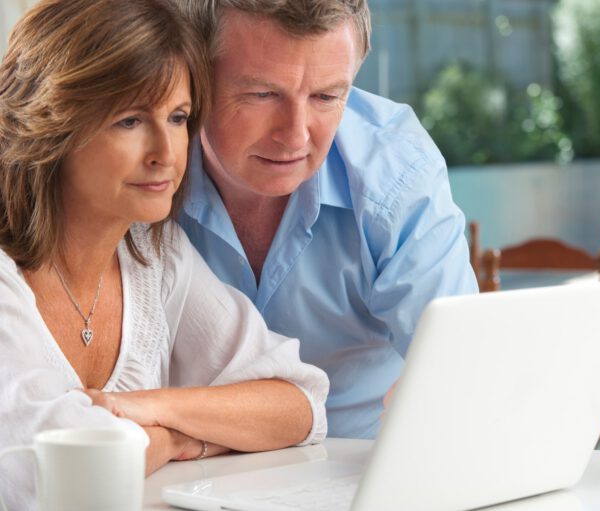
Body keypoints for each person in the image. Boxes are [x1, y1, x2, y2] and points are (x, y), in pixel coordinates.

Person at [0, 0, 328, 508]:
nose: (167, 153)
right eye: (130, 121)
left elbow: (299, 402)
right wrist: (182, 438)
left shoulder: (152, 253)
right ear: (53, 123)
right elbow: (43, 472)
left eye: (177, 117)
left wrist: (147, 406)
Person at [173, 0, 478, 439]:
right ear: (195, 77)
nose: (296, 135)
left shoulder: (396, 176)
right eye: (263, 94)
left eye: (326, 96)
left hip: (356, 474)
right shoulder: (148, 169)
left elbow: (459, 361)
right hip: (190, 474)